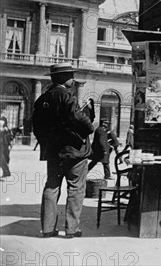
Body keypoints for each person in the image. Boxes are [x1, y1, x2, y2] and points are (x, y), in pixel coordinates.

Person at [32, 63, 95, 238]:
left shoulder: (42, 99)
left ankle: (47, 228)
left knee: (51, 187)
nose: (73, 79)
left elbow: (36, 127)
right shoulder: (67, 97)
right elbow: (77, 118)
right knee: (76, 188)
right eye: (71, 76)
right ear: (64, 78)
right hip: (74, 151)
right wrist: (90, 127)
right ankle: (72, 229)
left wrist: (47, 142)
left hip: (53, 152)